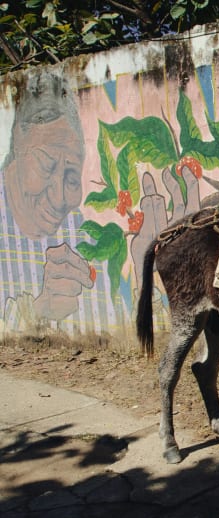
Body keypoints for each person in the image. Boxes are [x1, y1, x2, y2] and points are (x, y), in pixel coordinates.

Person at [0, 72, 100, 331]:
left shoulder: (85, 231)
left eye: (71, 178)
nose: (59, 199)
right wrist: (36, 313)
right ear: (18, 144)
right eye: (45, 164)